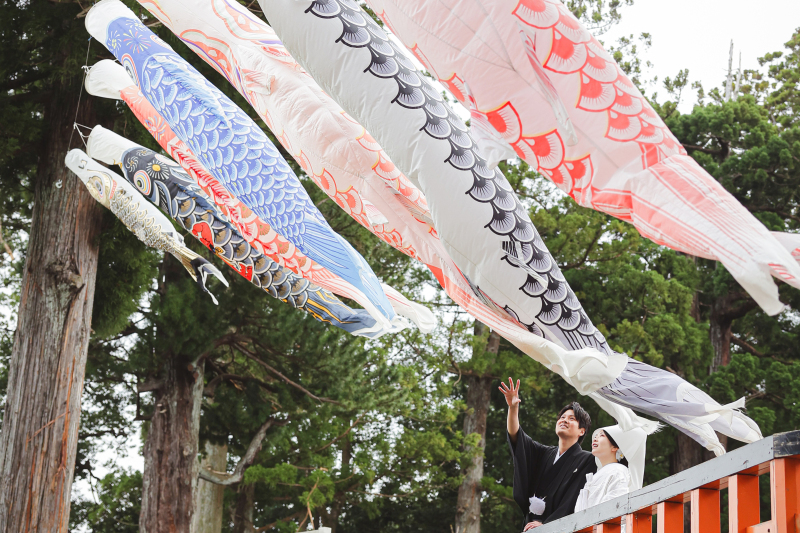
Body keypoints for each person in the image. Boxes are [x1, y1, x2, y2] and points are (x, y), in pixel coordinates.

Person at [501, 378, 597, 530]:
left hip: (560, 528)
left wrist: (548, 525)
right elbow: (517, 437)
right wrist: (513, 409)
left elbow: (573, 499)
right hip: (530, 526)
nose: (564, 420)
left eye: (571, 419)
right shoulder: (543, 453)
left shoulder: (588, 460)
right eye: (562, 417)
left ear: (582, 431)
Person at [575, 425, 649, 532]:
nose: (595, 438)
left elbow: (615, 507)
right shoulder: (596, 475)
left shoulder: (618, 471)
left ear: (614, 447)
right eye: (595, 436)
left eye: (601, 436)